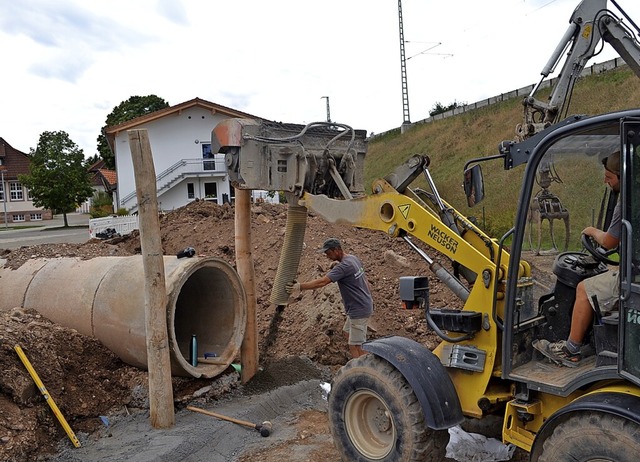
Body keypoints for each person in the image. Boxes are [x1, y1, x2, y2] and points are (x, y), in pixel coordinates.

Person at [534, 151, 621, 367]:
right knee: (604, 275)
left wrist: (592, 231)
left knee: (583, 289)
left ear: (623, 175)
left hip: (634, 278)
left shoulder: (628, 201)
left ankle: (570, 349)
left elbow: (609, 241)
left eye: (609, 178)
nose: (605, 181)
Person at [286, 238, 374, 359]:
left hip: (359, 310)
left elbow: (322, 282)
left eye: (328, 253)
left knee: (357, 345)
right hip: (362, 305)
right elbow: (364, 279)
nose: (327, 256)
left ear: (336, 250)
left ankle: (366, 368)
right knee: (347, 333)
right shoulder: (353, 259)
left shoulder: (343, 267)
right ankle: (358, 364)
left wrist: (300, 287)